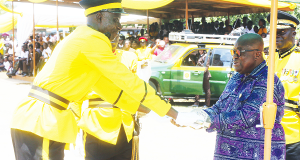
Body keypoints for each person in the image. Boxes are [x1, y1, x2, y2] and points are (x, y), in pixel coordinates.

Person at [10, 0, 199, 159]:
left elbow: (109, 90)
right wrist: (174, 113)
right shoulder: (92, 39)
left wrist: (148, 108)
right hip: (42, 121)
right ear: (99, 16)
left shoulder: (83, 38)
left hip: (41, 121)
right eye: (116, 18)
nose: (119, 26)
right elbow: (128, 81)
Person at [199, 33, 286, 159]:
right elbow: (219, 107)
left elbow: (247, 116)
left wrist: (210, 121)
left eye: (239, 52)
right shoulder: (237, 77)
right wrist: (198, 116)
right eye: (233, 52)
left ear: (257, 54)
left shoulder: (267, 81)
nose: (234, 57)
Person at [267, 11, 300, 160]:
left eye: (281, 32)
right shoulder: (268, 60)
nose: (276, 36)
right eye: (273, 32)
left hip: (293, 138)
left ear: (293, 33)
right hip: (268, 135)